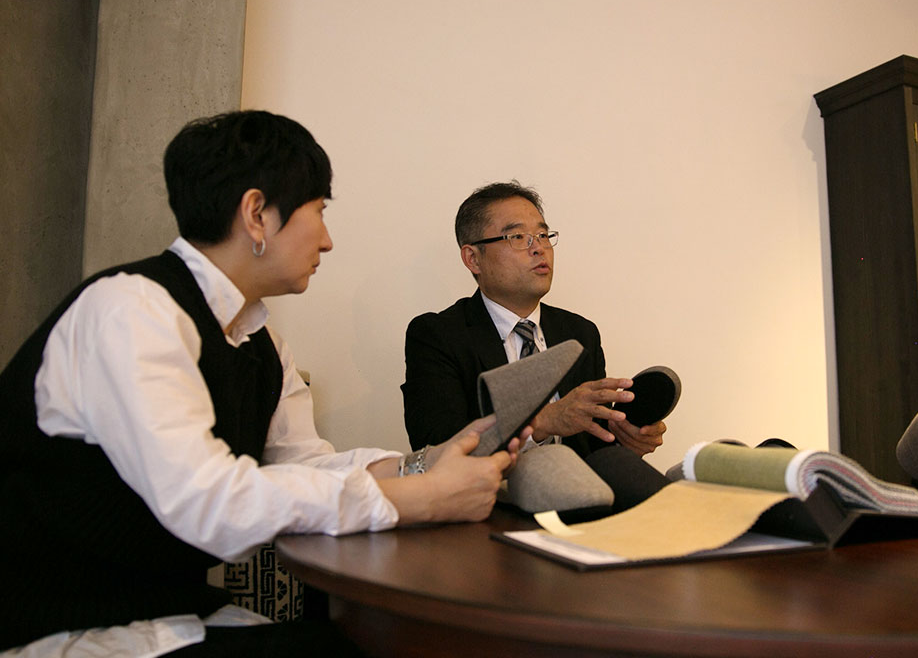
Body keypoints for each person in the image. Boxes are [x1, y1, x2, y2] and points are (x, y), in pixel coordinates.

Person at [0, 111, 525, 656]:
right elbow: (209, 503)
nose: (326, 240)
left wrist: (423, 464)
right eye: (318, 212)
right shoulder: (131, 310)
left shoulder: (259, 340)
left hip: (172, 613)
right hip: (65, 628)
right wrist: (418, 499)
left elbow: (301, 462)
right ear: (257, 215)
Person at [402, 181, 667, 460]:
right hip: (491, 487)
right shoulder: (438, 336)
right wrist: (540, 423)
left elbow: (593, 450)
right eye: (518, 237)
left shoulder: (579, 333)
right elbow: (434, 447)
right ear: (473, 259)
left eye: (542, 235)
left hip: (576, 486)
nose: (539, 247)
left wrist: (625, 441)